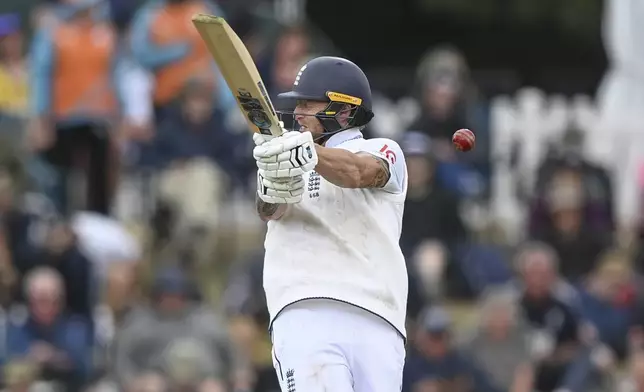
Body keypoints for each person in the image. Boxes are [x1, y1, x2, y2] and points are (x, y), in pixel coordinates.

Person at [252, 56, 408, 391]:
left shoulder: (382, 148)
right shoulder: (288, 156)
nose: (297, 115)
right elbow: (269, 210)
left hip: (378, 314)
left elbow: (358, 172)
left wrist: (309, 153)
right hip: (306, 309)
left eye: (307, 104)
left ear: (343, 110)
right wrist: (271, 181)